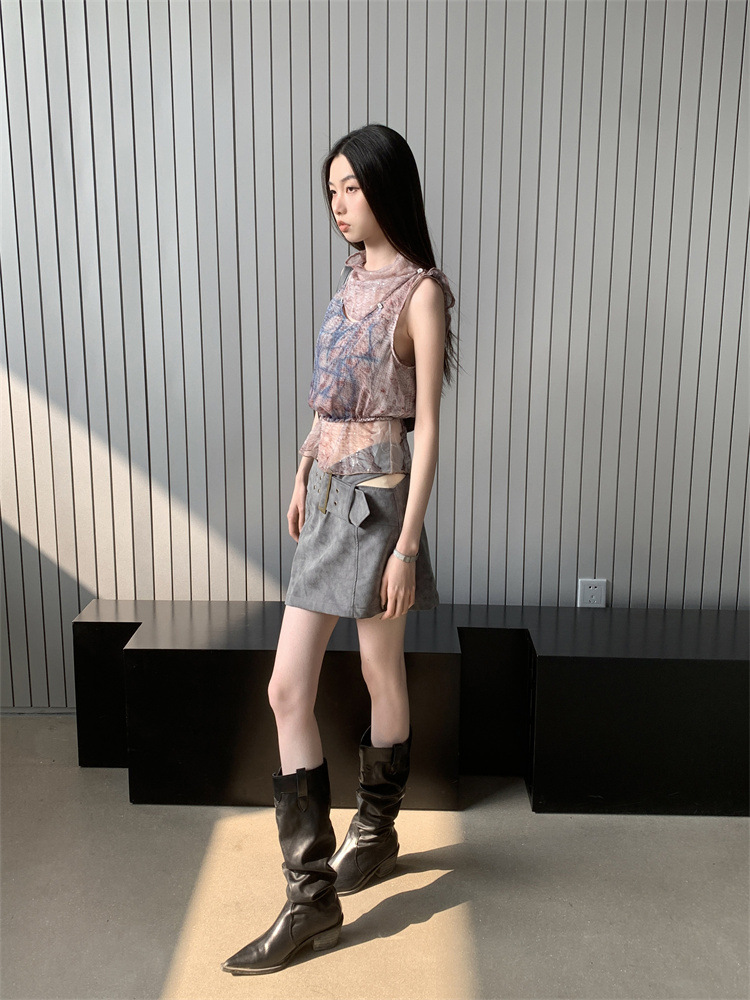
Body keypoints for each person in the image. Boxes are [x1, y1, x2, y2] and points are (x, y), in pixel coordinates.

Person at [222, 123, 457, 976]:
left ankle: (362, 842)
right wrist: (300, 472)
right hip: (326, 494)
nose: (339, 204)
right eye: (331, 191)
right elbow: (328, 399)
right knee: (305, 684)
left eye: (352, 187)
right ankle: (319, 886)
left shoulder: (421, 293)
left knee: (364, 674)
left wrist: (408, 546)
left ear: (387, 188)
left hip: (374, 510)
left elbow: (425, 431)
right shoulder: (352, 278)